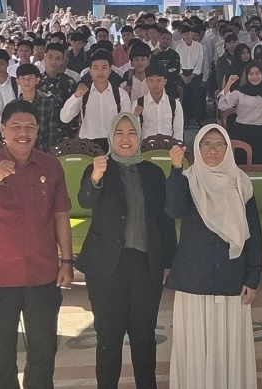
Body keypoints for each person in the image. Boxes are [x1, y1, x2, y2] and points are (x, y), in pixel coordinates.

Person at [0, 101, 74, 389]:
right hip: (0, 277)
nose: (23, 133)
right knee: (0, 356)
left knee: (44, 353)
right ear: (3, 130)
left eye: (30, 127)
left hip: (42, 274)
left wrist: (67, 262)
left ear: (37, 131)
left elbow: (61, 215)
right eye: (16, 127)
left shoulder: (50, 166)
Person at [77, 114, 176, 389]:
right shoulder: (99, 168)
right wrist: (96, 176)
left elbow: (165, 220)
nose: (125, 138)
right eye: (119, 132)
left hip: (145, 264)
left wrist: (168, 261)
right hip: (106, 267)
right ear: (111, 136)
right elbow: (85, 200)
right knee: (108, 336)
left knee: (144, 335)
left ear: (139, 137)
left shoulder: (153, 172)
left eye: (131, 132)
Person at [166, 126, 262, 389]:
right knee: (196, 343)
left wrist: (252, 278)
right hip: (194, 280)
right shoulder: (187, 179)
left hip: (231, 277)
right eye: (206, 143)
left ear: (228, 149)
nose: (212, 149)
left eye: (219, 144)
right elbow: (173, 209)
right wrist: (175, 168)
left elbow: (252, 234)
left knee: (228, 343)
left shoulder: (241, 182)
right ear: (196, 148)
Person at [60, 51, 122, 150]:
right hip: (87, 146)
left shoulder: (120, 94)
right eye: (96, 68)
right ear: (90, 71)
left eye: (104, 68)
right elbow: (64, 118)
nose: (100, 72)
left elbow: (127, 121)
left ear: (110, 70)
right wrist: (75, 97)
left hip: (114, 145)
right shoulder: (83, 93)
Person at [217, 60, 262, 165]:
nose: (254, 77)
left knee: (261, 165)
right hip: (241, 131)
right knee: (241, 165)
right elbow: (222, 105)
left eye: (257, 73)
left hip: (261, 132)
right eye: (251, 74)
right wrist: (229, 84)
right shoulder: (240, 92)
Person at [14, 64, 64, 151]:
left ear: (37, 80)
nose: (26, 82)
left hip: (42, 151)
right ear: (17, 81)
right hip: (19, 152)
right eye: (23, 79)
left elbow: (52, 133)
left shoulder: (48, 103)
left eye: (30, 78)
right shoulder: (13, 106)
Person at [133, 64, 184, 141]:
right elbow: (135, 131)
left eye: (159, 80)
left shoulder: (175, 104)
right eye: (151, 80)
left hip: (169, 148)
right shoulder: (138, 104)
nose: (155, 84)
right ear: (146, 81)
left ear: (165, 81)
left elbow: (178, 132)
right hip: (146, 149)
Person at [175, 24, 206, 128]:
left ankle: (198, 120)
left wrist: (192, 75)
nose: (187, 36)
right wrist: (182, 75)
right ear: (182, 35)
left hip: (195, 74)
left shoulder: (198, 46)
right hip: (182, 73)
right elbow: (177, 62)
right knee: (184, 98)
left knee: (196, 97)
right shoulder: (179, 46)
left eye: (189, 33)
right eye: (185, 34)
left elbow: (200, 61)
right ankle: (185, 120)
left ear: (192, 34)